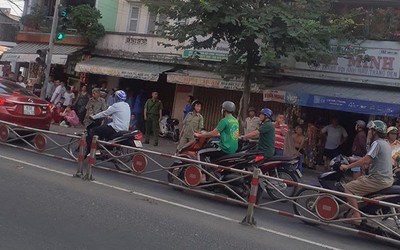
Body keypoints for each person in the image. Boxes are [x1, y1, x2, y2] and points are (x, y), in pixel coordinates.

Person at [340, 120, 394, 224]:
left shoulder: (377, 143)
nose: (368, 132)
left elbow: (366, 160)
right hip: (386, 179)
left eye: (370, 130)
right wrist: (353, 160)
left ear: (375, 132)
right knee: (360, 180)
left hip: (377, 179)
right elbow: (371, 158)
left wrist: (347, 166)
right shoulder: (386, 143)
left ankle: (356, 216)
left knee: (348, 188)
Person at [86, 90, 131, 156]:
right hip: (124, 128)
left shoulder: (116, 105)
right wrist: (111, 118)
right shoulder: (127, 105)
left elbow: (104, 113)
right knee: (104, 129)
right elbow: (121, 117)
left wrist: (94, 117)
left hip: (116, 128)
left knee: (94, 130)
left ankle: (96, 149)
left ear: (116, 98)